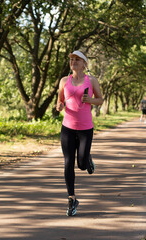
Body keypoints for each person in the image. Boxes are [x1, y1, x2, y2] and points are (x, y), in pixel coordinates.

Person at [56, 50, 103, 216]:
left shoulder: (91, 80)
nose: (73, 62)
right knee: (68, 162)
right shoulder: (64, 81)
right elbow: (60, 100)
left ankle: (87, 160)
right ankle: (71, 198)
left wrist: (91, 100)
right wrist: (59, 106)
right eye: (71, 59)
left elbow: (100, 99)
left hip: (85, 128)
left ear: (84, 64)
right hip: (67, 127)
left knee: (82, 164)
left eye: (77, 59)